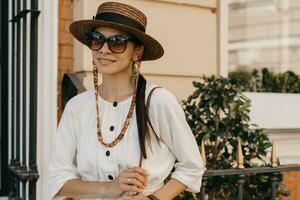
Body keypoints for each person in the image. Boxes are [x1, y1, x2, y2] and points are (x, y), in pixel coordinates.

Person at [48, 1, 205, 200]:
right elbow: (58, 179)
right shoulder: (77, 107)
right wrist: (109, 188)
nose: (104, 49)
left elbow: (192, 167)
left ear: (137, 52)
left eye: (117, 42)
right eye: (97, 39)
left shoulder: (157, 101)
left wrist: (152, 199)